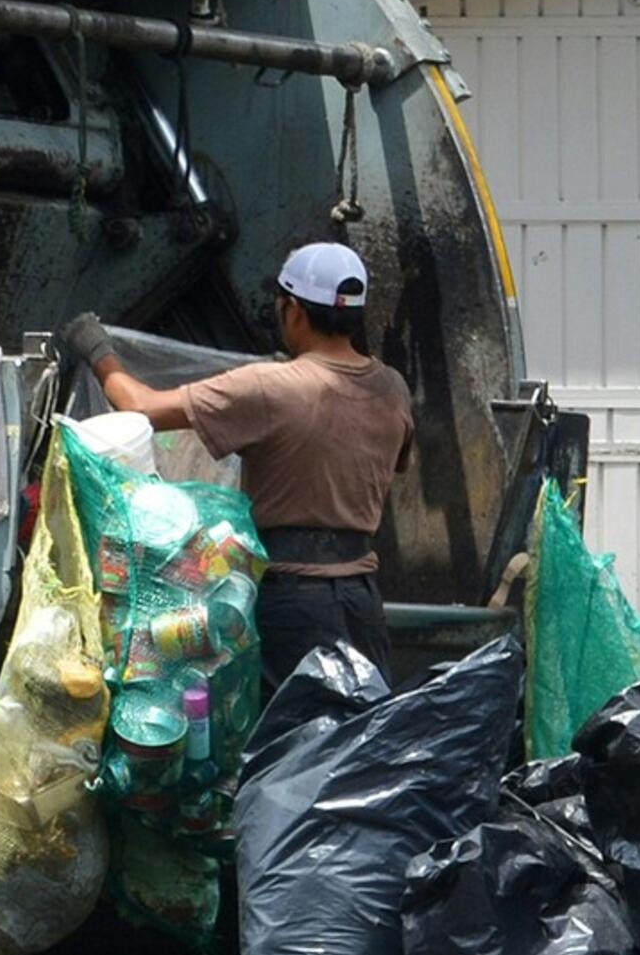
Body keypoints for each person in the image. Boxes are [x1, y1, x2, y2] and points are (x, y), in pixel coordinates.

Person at [60, 242, 412, 691]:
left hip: (290, 600)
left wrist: (97, 348)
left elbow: (141, 407)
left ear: (295, 311)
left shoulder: (272, 387)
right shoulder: (392, 388)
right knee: (354, 736)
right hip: (361, 598)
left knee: (287, 742)